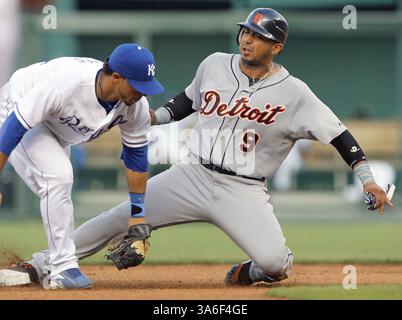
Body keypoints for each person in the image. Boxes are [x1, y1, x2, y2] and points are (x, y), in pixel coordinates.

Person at [0, 8, 393, 288]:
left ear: (278, 47)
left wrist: (368, 180)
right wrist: (149, 118)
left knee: (274, 263)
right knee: (118, 218)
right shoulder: (215, 64)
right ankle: (43, 264)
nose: (248, 39)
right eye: (246, 31)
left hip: (244, 188)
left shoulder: (296, 93)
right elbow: (184, 103)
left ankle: (252, 273)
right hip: (192, 174)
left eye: (259, 36)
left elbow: (340, 135)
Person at [0, 43, 164, 289]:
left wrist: (137, 216)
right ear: (117, 77)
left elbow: (137, 156)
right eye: (138, 86)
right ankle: (63, 268)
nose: (142, 94)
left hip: (57, 127)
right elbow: (15, 126)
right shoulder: (67, 84)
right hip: (16, 107)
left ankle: (49, 263)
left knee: (57, 186)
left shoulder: (134, 107)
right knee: (58, 177)